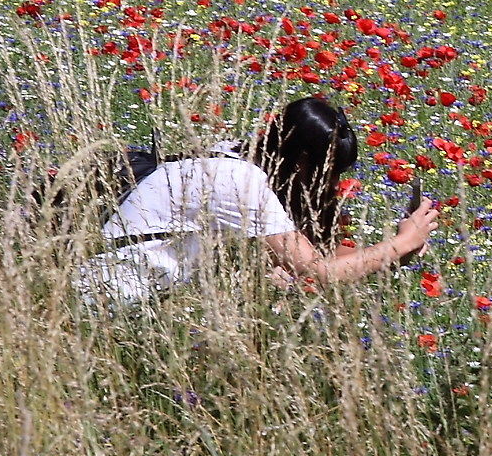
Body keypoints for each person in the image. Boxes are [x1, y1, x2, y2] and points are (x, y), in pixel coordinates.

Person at [77, 96, 439, 306]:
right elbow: (319, 270)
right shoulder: (242, 182)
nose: (332, 184)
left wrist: (395, 250)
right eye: (331, 171)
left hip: (143, 292)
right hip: (115, 293)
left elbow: (314, 255)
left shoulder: (240, 158)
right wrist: (404, 240)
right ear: (303, 163)